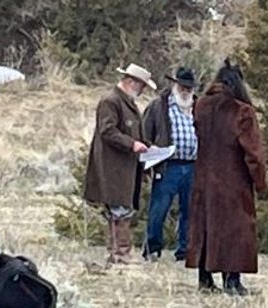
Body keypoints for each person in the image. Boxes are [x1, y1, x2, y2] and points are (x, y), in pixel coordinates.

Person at [186, 59, 267, 296]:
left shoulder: (200, 106)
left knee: (205, 226)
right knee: (234, 228)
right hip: (233, 181)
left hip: (203, 177)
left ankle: (205, 278)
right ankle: (232, 280)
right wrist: (260, 181)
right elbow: (254, 153)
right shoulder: (241, 112)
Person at [83, 63, 156, 265]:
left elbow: (133, 132)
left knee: (121, 209)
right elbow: (107, 131)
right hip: (112, 166)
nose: (142, 91)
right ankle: (121, 254)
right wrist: (132, 144)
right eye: (141, 86)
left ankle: (116, 254)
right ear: (131, 82)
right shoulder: (111, 101)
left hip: (125, 166)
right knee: (120, 210)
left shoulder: (126, 102)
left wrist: (147, 146)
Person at [142, 67, 199, 262]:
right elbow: (144, 134)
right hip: (168, 165)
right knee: (159, 209)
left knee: (190, 210)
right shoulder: (159, 106)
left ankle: (185, 250)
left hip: (192, 165)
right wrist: (153, 153)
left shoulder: (198, 106)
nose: (185, 91)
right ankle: (152, 248)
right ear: (175, 85)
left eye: (189, 88)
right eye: (182, 87)